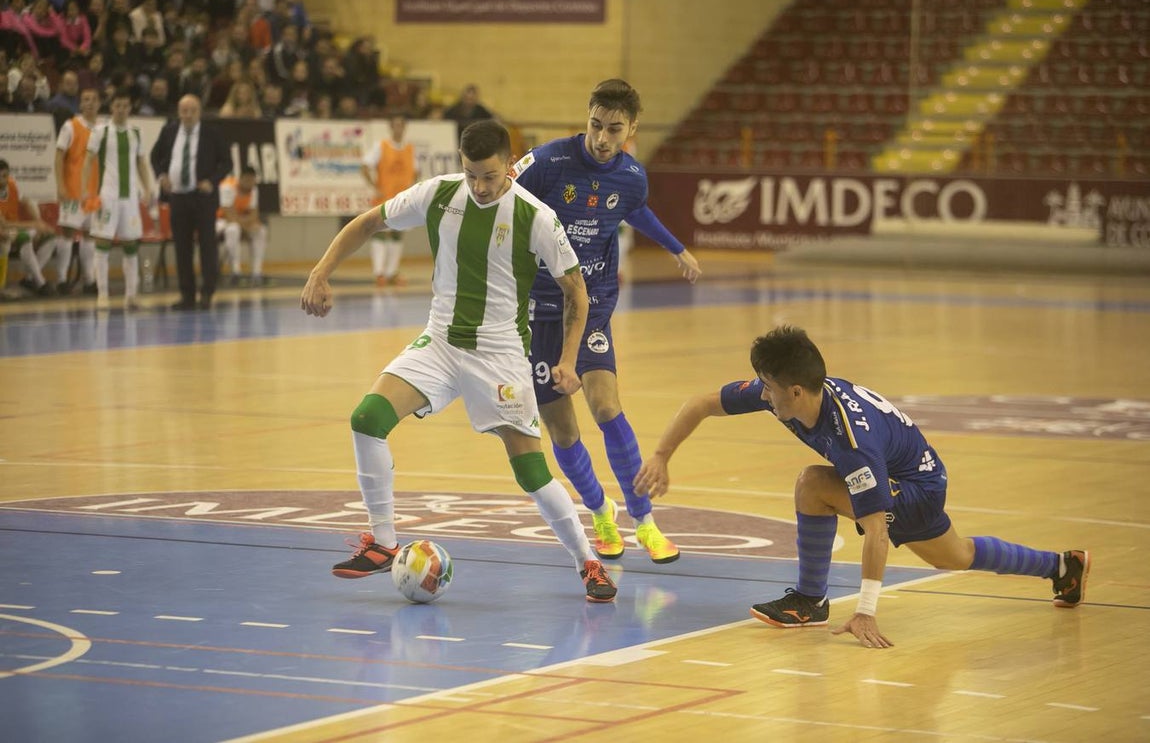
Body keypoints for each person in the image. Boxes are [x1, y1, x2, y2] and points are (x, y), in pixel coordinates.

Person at [300, 119, 617, 603]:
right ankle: (384, 544)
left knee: (531, 472)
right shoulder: (439, 194)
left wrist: (569, 359)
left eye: (489, 176)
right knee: (366, 418)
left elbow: (577, 289)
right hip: (442, 342)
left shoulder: (535, 216)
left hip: (501, 354)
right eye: (471, 174)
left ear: (510, 168)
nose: (479, 186)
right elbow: (369, 221)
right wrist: (321, 272)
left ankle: (588, 563)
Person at [634, 325, 1091, 648]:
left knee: (812, 484)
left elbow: (875, 530)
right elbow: (700, 403)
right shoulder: (788, 394)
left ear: (796, 390)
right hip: (922, 475)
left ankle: (811, 600)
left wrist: (867, 609)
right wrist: (661, 455)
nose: (762, 393)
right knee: (955, 555)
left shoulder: (853, 443)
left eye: (769, 387)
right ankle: (1062, 567)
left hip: (914, 487)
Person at [511, 79, 701, 564]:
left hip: (591, 304)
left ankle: (646, 522)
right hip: (537, 311)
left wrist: (676, 247)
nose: (601, 137)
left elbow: (635, 210)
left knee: (606, 405)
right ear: (588, 117)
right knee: (562, 430)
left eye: (614, 129)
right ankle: (599, 511)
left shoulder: (633, 177)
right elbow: (497, 202)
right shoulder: (548, 162)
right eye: (596, 125)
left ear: (631, 129)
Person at [150, 93, 232, 310]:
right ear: (179, 112)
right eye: (183, 111)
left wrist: (212, 181)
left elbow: (227, 162)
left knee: (207, 245)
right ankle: (187, 295)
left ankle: (207, 293)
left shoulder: (211, 133)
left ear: (199, 112)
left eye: (192, 110)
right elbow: (154, 156)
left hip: (203, 197)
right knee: (182, 247)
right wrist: (161, 176)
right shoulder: (169, 132)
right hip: (178, 197)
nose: (187, 115)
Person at [82, 88, 153, 310]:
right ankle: (102, 295)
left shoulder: (136, 132)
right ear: (111, 107)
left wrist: (148, 187)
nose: (121, 110)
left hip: (130, 198)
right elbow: (88, 161)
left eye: (125, 106)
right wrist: (85, 189)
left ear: (130, 108)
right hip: (107, 197)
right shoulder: (100, 132)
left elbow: (141, 162)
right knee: (102, 243)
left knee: (131, 245)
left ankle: (131, 295)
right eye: (117, 106)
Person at [54, 84, 101, 295]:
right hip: (73, 189)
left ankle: (89, 280)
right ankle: (62, 279)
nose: (89, 103)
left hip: (93, 192)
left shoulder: (102, 128)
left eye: (93, 99)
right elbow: (58, 157)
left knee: (90, 235)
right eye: (85, 99)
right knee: (68, 233)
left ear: (99, 103)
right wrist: (61, 185)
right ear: (80, 104)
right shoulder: (70, 126)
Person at [360, 112, 416, 287]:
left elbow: (416, 170)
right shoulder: (381, 146)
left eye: (401, 125)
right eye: (396, 125)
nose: (398, 128)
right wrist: (374, 186)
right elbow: (365, 166)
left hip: (403, 199)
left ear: (405, 127)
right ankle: (379, 273)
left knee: (398, 233)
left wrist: (412, 187)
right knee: (381, 233)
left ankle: (392, 272)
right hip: (384, 198)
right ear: (391, 127)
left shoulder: (410, 149)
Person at [0, 156, 55, 296]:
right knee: (18, 238)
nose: (2, 180)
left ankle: (30, 279)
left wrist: (39, 221)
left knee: (50, 236)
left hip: (15, 229)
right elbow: (4, 224)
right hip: (5, 231)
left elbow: (27, 202)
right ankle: (41, 283)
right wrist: (34, 225)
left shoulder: (11, 185)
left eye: (5, 175)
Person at [216, 165, 268, 285]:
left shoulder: (253, 190)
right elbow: (228, 214)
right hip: (220, 221)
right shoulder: (227, 187)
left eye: (252, 180)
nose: (250, 183)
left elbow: (254, 214)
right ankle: (236, 272)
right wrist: (246, 224)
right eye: (247, 180)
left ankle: (256, 273)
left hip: (241, 222)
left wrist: (249, 224)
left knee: (260, 230)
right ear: (241, 178)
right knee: (233, 230)